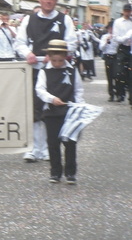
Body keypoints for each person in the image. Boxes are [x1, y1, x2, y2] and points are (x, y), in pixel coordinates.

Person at [14, 0, 77, 163]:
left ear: (56, 1)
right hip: (35, 69)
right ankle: (34, 148)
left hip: (56, 70)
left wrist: (55, 54)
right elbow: (20, 42)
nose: (48, 1)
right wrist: (28, 54)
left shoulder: (64, 20)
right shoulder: (29, 19)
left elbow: (71, 43)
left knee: (54, 110)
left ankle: (50, 148)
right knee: (35, 109)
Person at [35, 39, 84, 184]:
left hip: (69, 112)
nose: (57, 63)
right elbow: (39, 89)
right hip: (51, 112)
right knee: (53, 143)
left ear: (65, 57)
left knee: (70, 143)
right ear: (49, 56)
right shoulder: (44, 72)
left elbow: (79, 90)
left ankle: (70, 173)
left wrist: (79, 107)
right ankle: (55, 172)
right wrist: (51, 99)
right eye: (54, 60)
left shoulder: (72, 71)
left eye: (60, 60)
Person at [112, 3, 132, 103]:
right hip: (122, 48)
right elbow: (116, 38)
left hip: (131, 49)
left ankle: (131, 97)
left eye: (129, 11)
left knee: (130, 73)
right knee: (119, 73)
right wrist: (126, 37)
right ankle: (120, 94)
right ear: (123, 11)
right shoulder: (118, 22)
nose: (128, 13)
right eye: (126, 11)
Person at [99, 21, 118, 102]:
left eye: (112, 28)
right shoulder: (104, 37)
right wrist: (106, 42)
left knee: (117, 75)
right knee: (109, 76)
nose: (111, 30)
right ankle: (111, 94)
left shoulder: (117, 36)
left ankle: (118, 92)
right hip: (108, 57)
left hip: (116, 57)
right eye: (109, 28)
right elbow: (101, 48)